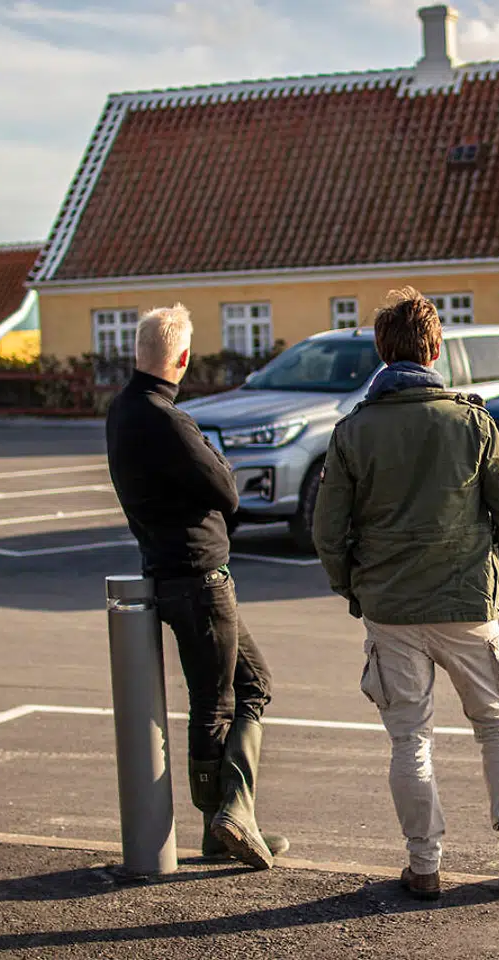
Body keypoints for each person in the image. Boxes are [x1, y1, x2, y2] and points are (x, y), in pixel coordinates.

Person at [312, 288, 499, 900]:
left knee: (410, 740)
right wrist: (495, 576)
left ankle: (425, 865)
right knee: (498, 726)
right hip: (469, 603)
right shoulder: (473, 423)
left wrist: (353, 589)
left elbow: (328, 530)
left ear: (384, 352)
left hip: (391, 608)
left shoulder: (353, 431)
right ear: (435, 349)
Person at [105, 303, 287, 868]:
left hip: (162, 570)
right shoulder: (170, 420)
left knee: (250, 682)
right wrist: (214, 454)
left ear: (138, 352)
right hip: (201, 578)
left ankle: (233, 815)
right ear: (183, 358)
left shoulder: (121, 412)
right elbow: (228, 491)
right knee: (217, 703)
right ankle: (224, 822)